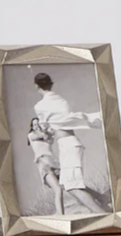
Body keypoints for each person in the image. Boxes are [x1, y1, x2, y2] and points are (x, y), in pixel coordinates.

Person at [32, 72, 109, 214]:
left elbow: (46, 129)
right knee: (70, 183)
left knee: (72, 186)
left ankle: (100, 214)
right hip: (70, 144)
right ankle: (103, 199)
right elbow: (58, 123)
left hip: (68, 145)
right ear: (51, 83)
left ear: (37, 86)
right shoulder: (61, 100)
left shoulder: (40, 106)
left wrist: (45, 131)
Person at [27, 117, 63, 214]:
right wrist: (48, 130)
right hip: (44, 165)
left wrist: (49, 131)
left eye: (39, 124)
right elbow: (44, 136)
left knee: (72, 185)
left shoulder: (46, 136)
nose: (37, 126)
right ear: (32, 127)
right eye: (34, 125)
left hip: (55, 164)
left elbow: (50, 140)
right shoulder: (31, 135)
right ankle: (61, 216)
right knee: (58, 190)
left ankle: (99, 197)